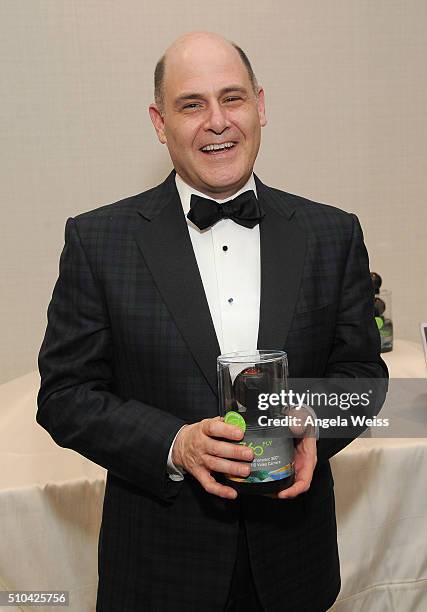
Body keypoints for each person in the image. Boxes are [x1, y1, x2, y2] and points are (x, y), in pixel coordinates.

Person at [37, 31, 388, 612]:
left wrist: (313, 416)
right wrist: (175, 445)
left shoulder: (332, 233)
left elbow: (364, 376)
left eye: (233, 98)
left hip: (293, 564)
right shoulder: (99, 241)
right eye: (192, 104)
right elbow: (66, 394)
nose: (218, 121)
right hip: (158, 569)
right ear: (159, 122)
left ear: (261, 106)